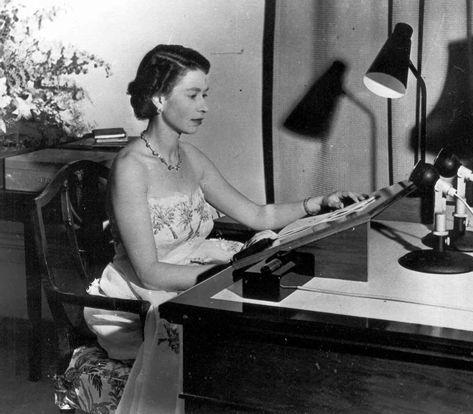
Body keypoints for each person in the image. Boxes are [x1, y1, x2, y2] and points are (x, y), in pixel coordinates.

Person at [83, 44, 365, 414]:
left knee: (272, 279)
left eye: (206, 95)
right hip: (142, 293)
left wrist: (317, 203)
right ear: (158, 99)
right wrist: (227, 274)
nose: (204, 106)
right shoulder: (130, 167)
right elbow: (149, 272)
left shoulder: (192, 158)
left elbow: (257, 215)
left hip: (199, 269)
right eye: (193, 95)